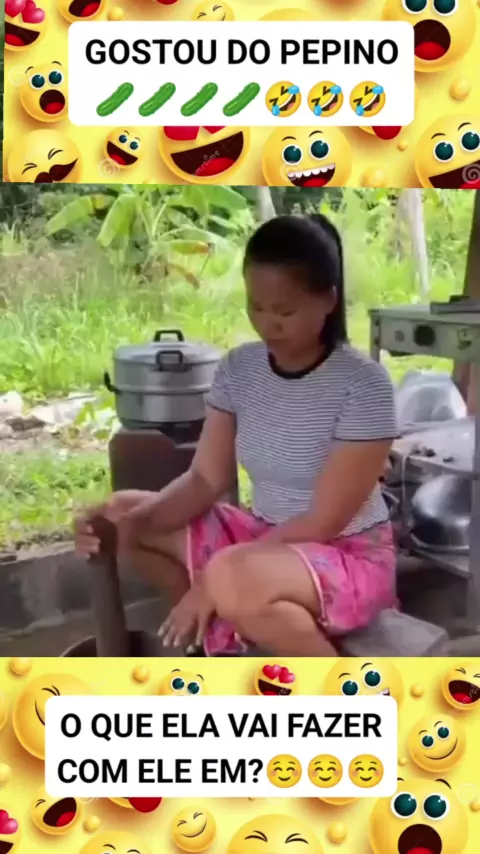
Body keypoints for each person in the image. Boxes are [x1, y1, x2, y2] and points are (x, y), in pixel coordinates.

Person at [75, 213, 398, 657]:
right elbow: (205, 479)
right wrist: (116, 529)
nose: (268, 324)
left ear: (328, 300)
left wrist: (214, 578)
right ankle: (211, 643)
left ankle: (336, 686)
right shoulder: (239, 369)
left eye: (284, 311)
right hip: (263, 538)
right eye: (256, 307)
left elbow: (324, 521)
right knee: (123, 513)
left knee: (230, 579)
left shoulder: (363, 384)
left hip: (344, 553)